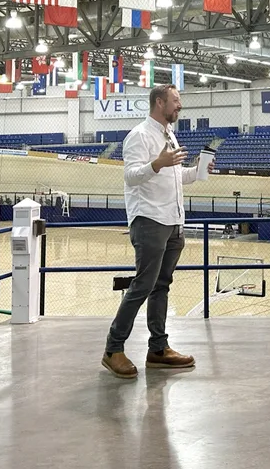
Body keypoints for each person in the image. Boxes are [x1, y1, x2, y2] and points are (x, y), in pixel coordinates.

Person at [103, 84, 214, 377]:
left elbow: (174, 178)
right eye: (176, 101)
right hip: (150, 221)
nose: (180, 106)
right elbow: (130, 177)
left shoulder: (169, 134)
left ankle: (158, 349)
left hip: (173, 222)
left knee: (161, 286)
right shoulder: (139, 136)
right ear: (159, 102)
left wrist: (198, 171)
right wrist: (157, 163)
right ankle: (113, 348)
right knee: (142, 285)